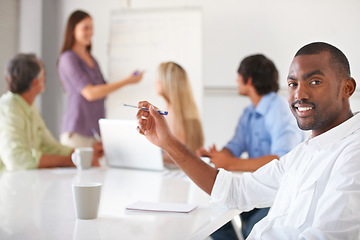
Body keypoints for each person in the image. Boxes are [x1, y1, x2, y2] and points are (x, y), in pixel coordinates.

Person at [136, 42, 360, 239]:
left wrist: (229, 163)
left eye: (315, 82)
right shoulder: (306, 152)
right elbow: (236, 191)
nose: (300, 94)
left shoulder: (353, 153)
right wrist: (167, 142)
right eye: (293, 84)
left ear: (347, 88)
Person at [197, 54, 304, 239]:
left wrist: (229, 163)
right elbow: (234, 147)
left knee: (254, 230)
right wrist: (215, 156)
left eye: (238, 76)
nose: (236, 80)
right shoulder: (249, 112)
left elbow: (281, 160)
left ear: (249, 80)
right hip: (257, 187)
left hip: (280, 193)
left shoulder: (280, 109)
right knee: (211, 217)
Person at [0, 53, 103, 172]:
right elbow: (16, 160)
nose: (45, 77)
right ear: (35, 82)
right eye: (44, 74)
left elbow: (50, 146)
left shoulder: (29, 107)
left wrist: (84, 155)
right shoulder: (8, 108)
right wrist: (71, 161)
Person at [58, 10, 143, 148]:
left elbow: (103, 89)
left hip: (96, 132)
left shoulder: (92, 60)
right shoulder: (68, 58)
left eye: (92, 28)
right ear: (73, 29)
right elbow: (90, 93)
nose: (91, 32)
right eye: (85, 28)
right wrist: (127, 81)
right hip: (77, 132)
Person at [155, 61, 204, 164]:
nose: (155, 82)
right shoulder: (180, 112)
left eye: (158, 79)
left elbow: (178, 155)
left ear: (167, 83)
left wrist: (151, 158)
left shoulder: (175, 116)